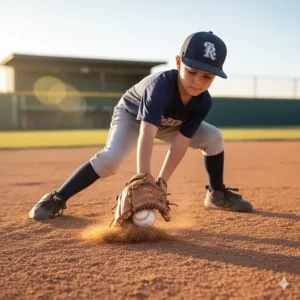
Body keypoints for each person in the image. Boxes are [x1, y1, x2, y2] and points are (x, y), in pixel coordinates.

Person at [29, 31, 253, 221]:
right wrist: (144, 177)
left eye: (207, 76)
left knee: (214, 137)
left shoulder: (203, 101)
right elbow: (147, 132)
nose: (197, 81)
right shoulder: (161, 87)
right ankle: (57, 198)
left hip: (171, 124)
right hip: (133, 116)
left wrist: (162, 183)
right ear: (178, 63)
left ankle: (216, 195)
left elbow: (180, 143)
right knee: (110, 161)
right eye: (192, 71)